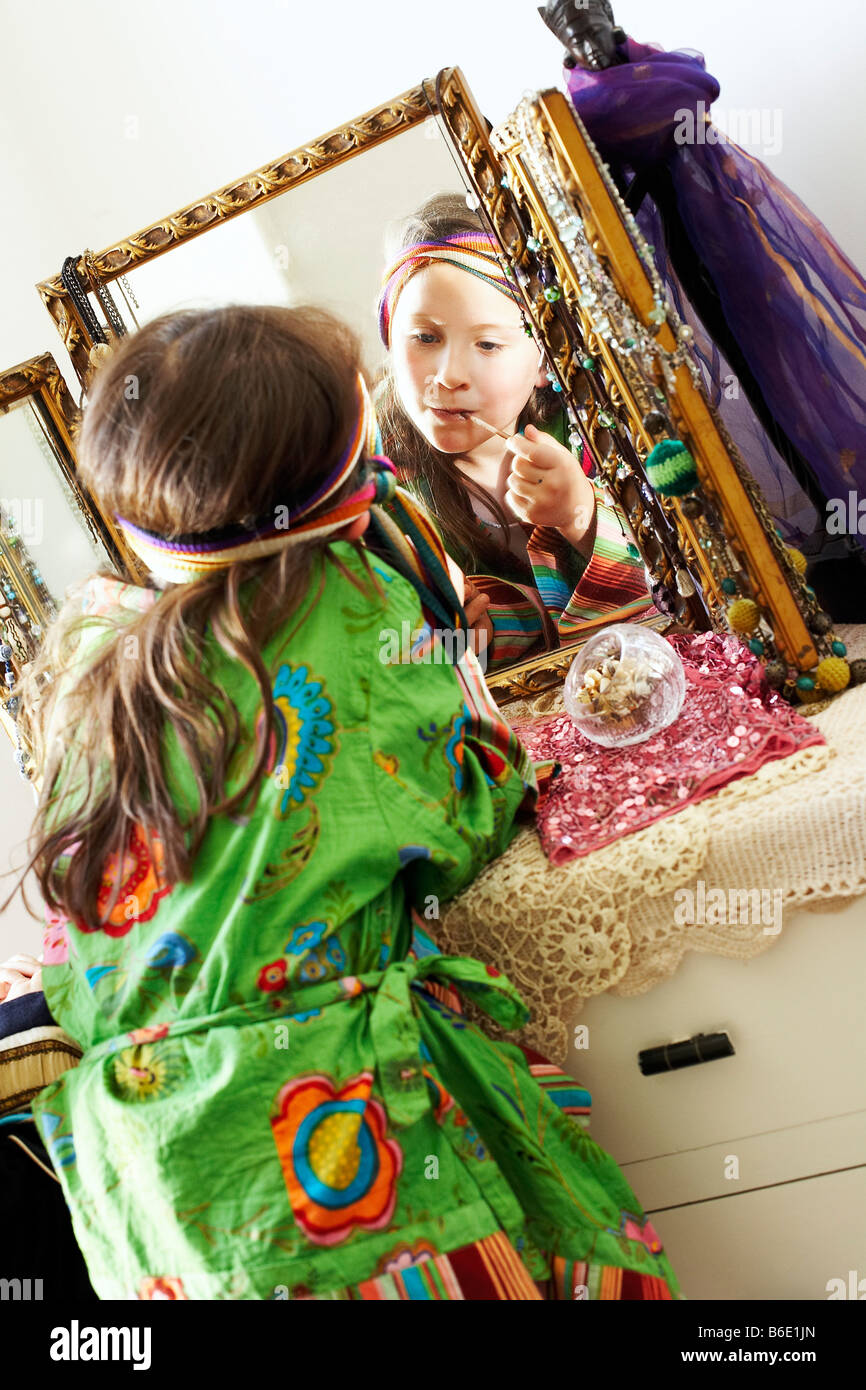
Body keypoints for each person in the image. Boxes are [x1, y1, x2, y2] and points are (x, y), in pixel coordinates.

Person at [4, 304, 679, 1300]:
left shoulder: (93, 651)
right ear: (341, 478)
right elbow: (444, 824)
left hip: (159, 1169)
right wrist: (500, 765)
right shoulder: (355, 606)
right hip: (341, 1136)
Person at [375, 193, 658, 671]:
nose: (448, 376)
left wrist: (579, 515)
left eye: (487, 344)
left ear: (546, 358)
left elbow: (679, 586)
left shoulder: (596, 434)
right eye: (425, 338)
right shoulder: (381, 490)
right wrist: (461, 633)